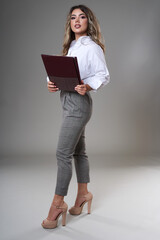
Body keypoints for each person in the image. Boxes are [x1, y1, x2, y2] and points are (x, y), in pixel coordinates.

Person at [41, 4, 110, 229]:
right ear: (70, 23)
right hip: (67, 102)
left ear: (89, 21)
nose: (77, 21)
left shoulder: (92, 47)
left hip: (79, 104)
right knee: (79, 152)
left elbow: (103, 75)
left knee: (63, 153)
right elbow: (64, 73)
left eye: (82, 17)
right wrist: (51, 83)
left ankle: (57, 203)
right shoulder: (71, 46)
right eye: (73, 18)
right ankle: (83, 195)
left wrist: (87, 87)